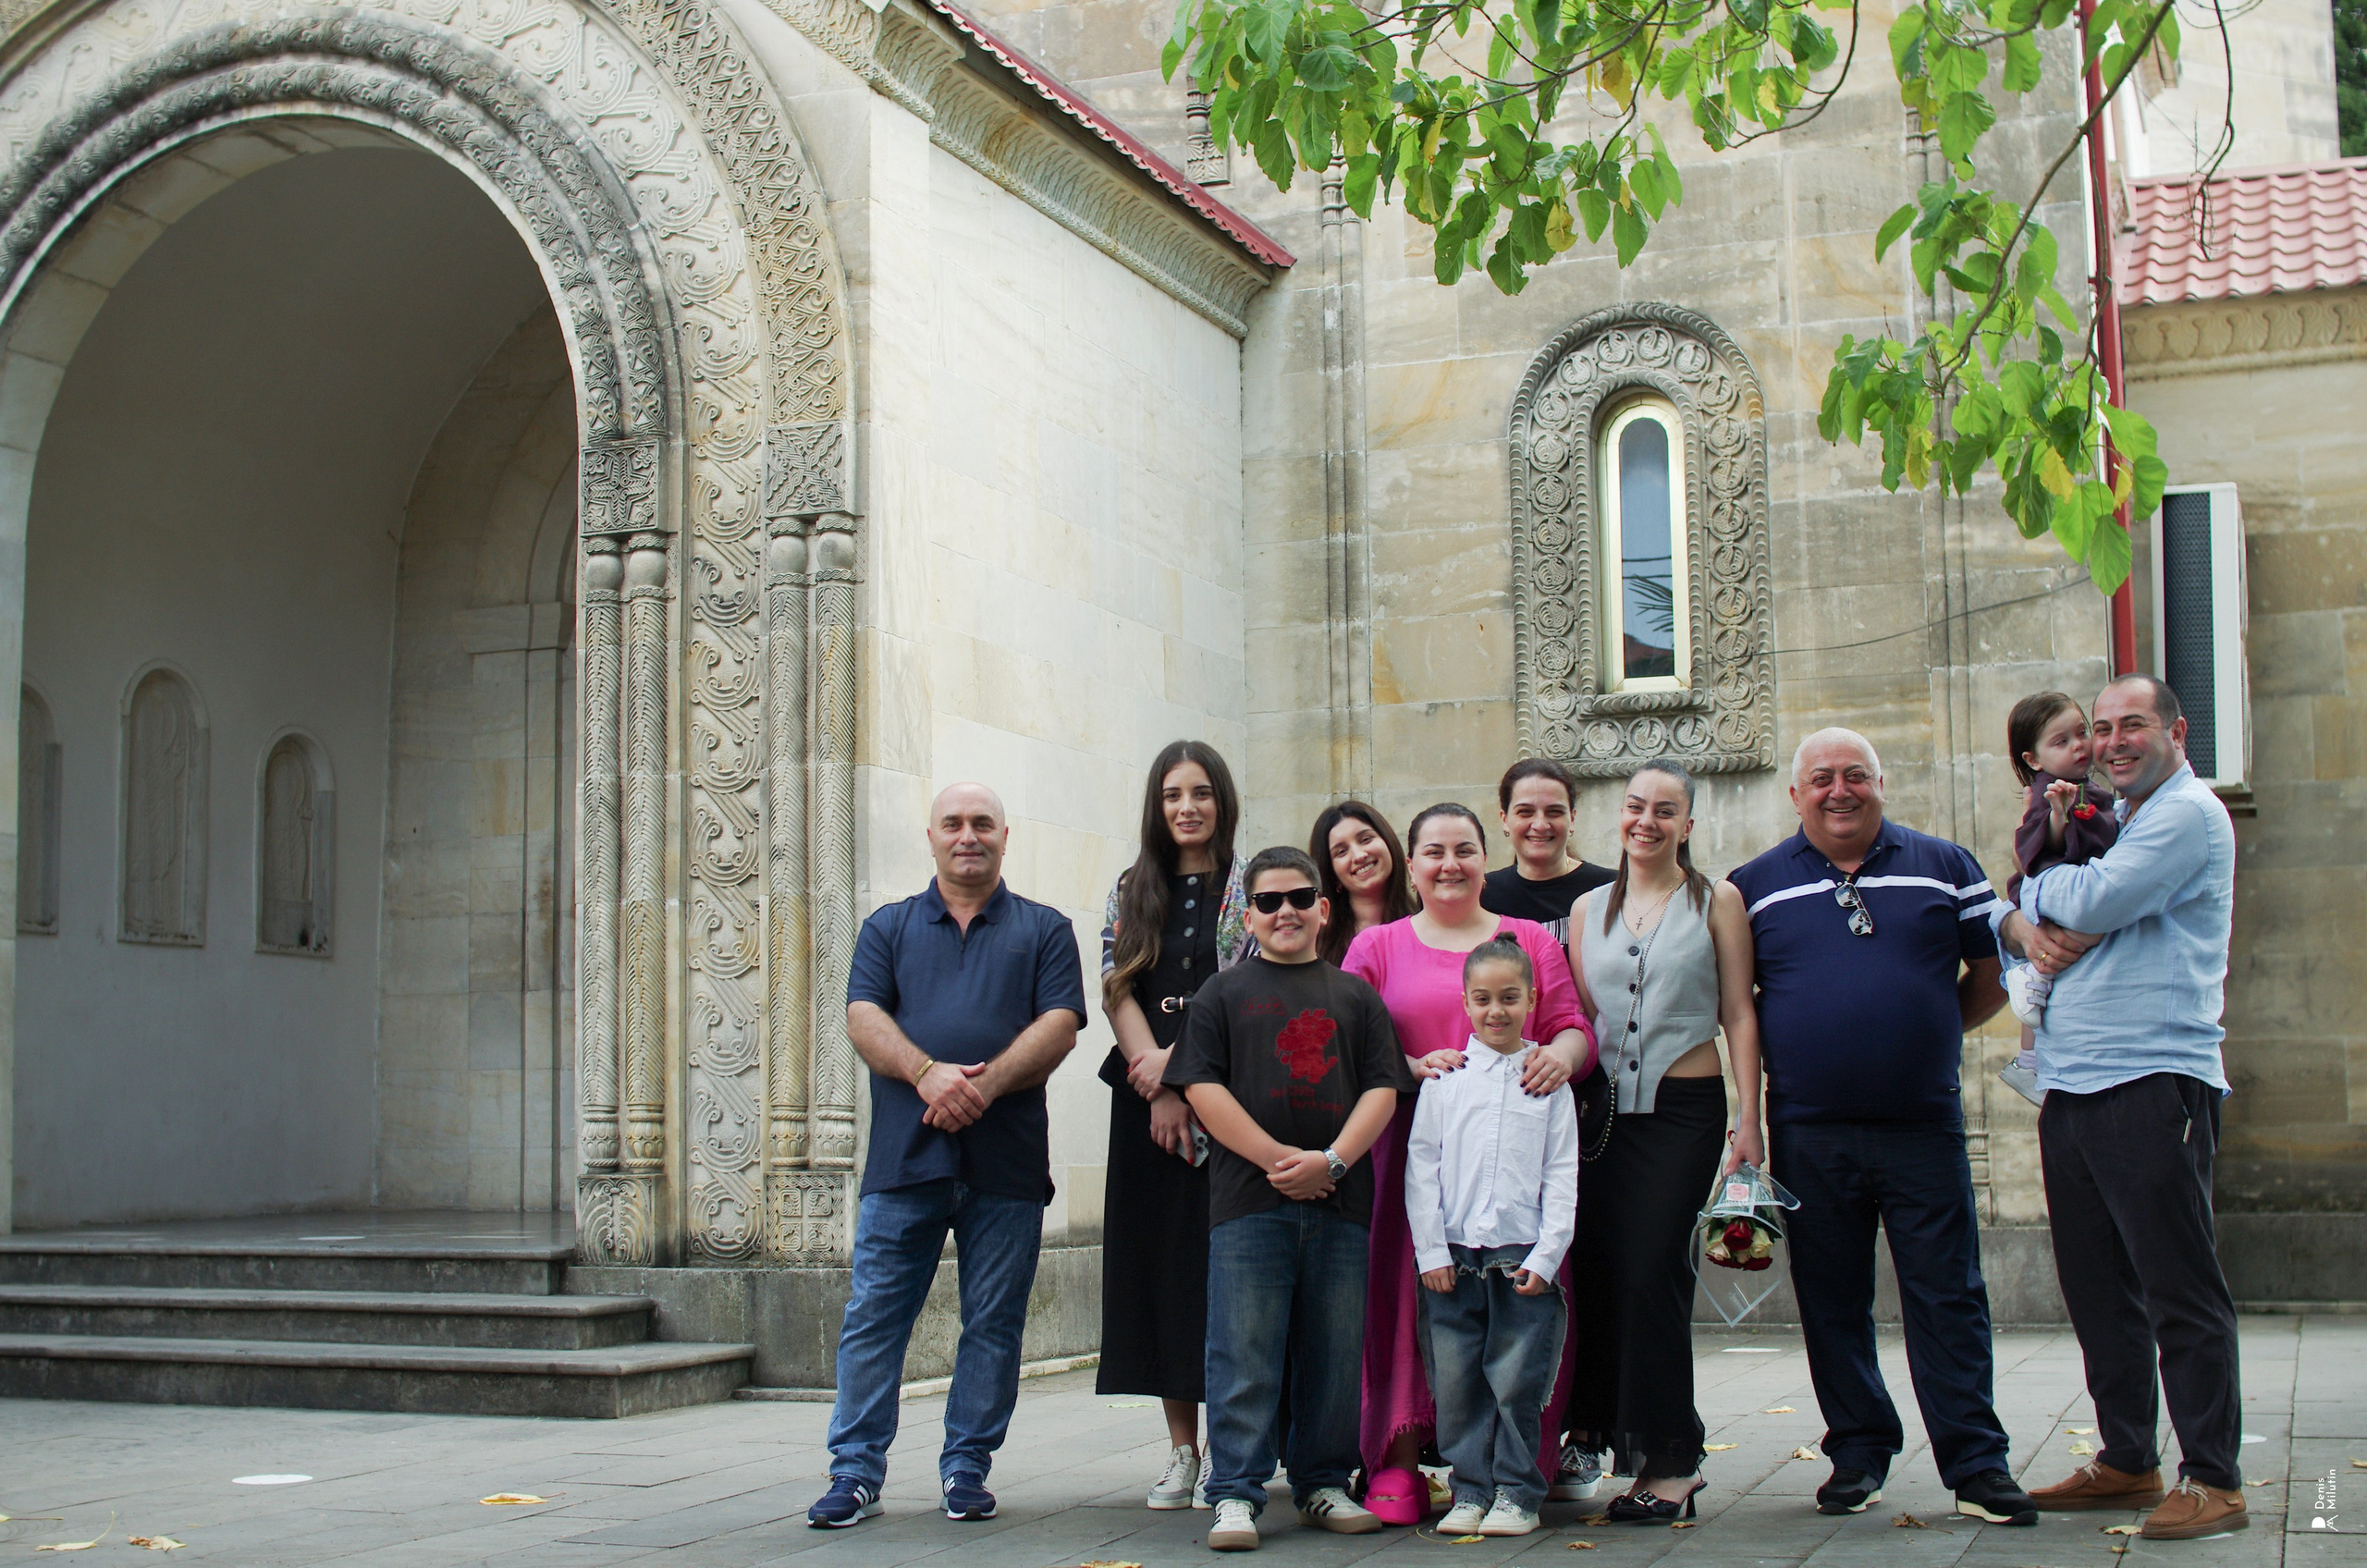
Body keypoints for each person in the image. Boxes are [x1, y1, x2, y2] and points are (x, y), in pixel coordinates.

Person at [1724, 729, 2038, 1528]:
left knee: (1949, 1295)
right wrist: (1747, 1121)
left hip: (1922, 1123)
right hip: (1809, 1128)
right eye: (1822, 778)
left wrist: (1927, 1028)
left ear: (1881, 783)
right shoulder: (1753, 886)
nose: (1840, 791)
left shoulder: (1944, 865)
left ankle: (1977, 1462)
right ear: (1796, 795)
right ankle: (1859, 1451)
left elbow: (1993, 971)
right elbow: (1738, 1007)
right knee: (1831, 1299)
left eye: (1855, 775)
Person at [2001, 675, 2246, 1541]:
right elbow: (2044, 921)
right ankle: (2128, 1459)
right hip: (2073, 1083)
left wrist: (2030, 895)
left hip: (2150, 1080)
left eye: (2131, 724)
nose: (2111, 742)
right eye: (2100, 728)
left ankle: (2213, 1478)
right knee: (2098, 1290)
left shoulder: (2187, 815)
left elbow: (2092, 900)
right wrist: (2034, 912)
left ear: (2177, 732)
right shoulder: (2123, 821)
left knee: (2178, 1287)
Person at [806, 783, 1086, 1529]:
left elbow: (1061, 1023)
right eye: (953, 824)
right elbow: (862, 1016)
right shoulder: (888, 927)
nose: (969, 836)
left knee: (993, 1322)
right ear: (930, 836)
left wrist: (982, 1088)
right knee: (875, 1316)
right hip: (906, 1161)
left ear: (1005, 836)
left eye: (983, 824)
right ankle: (854, 1472)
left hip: (1007, 1166)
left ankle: (967, 1467)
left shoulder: (1044, 929)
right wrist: (927, 1073)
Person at [1343, 803, 1594, 1525]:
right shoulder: (1379, 945)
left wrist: (1558, 1059)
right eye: (1433, 851)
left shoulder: (1526, 942)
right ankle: (1402, 1460)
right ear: (1411, 864)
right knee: (1412, 1311)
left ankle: (1518, 1475)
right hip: (1406, 1152)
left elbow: (1571, 1025)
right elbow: (1346, 1040)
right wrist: (1409, 1066)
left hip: (1513, 1162)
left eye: (1464, 849)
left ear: (1487, 860)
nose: (1449, 864)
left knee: (1516, 1332)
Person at [1166, 846, 1412, 1552]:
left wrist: (1331, 1160)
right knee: (1243, 1349)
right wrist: (1278, 1160)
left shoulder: (1355, 997)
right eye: (1268, 901)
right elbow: (1202, 1088)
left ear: (1323, 909)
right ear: (1248, 915)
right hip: (1249, 1203)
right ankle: (1235, 1492)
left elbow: (1382, 1087)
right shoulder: (1221, 995)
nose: (1285, 912)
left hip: (1340, 1203)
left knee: (1334, 1352)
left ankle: (1322, 1482)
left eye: (1300, 898)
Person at [1561, 759, 1763, 1523]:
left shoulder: (1718, 900)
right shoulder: (1586, 909)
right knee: (1602, 1273)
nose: (1646, 821)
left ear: (1687, 825)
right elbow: (1580, 1020)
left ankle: (1675, 1459)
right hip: (1603, 1117)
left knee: (1653, 1271)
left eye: (1665, 810)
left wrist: (1751, 1120)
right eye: (1636, 806)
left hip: (1685, 1111)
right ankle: (1599, 1437)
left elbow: (1739, 1012)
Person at [1098, 741, 1251, 1509]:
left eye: (1200, 793)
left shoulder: (1251, 888)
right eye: (1171, 795)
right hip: (1146, 1105)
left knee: (1221, 1275)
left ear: (1222, 799)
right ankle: (1181, 1451)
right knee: (1161, 1272)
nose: (1186, 807)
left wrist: (1184, 1075)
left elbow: (1244, 989)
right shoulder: (1132, 889)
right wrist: (1154, 1080)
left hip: (1228, 1100)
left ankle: (1230, 1451)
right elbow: (1116, 983)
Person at [1407, 939, 1580, 1538]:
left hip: (1520, 1256)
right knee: (1457, 1382)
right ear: (1465, 1002)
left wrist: (1548, 1255)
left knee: (1517, 1382)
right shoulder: (1445, 1079)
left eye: (1509, 998)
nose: (1496, 1011)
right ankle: (1470, 1489)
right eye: (1482, 999)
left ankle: (1516, 1493)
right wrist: (1430, 1250)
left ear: (1532, 998)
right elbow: (1421, 1168)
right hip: (1452, 1258)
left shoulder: (1548, 1082)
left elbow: (1562, 1173)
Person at [1993, 692, 2117, 1107]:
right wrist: (2059, 816)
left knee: (2046, 981)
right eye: (2062, 741)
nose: (2079, 746)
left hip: (2064, 889)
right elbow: (2040, 846)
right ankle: (2032, 979)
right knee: (2074, 944)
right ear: (2033, 759)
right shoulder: (2052, 791)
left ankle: (2029, 1058)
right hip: (2050, 892)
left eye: (2082, 733)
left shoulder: (2085, 787)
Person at [1480, 757, 1615, 944]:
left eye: (1554, 812)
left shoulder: (1610, 890)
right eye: (1525, 812)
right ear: (1505, 820)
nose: (1540, 825)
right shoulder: (1484, 896)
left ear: (1572, 819)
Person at [1310, 802, 1417, 966]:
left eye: (1366, 839)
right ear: (1332, 874)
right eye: (1342, 852)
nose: (1359, 855)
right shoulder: (1314, 946)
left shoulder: (1429, 925)